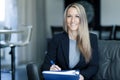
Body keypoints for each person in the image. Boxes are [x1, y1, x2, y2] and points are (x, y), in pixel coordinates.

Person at [41, 3, 99, 80]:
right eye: (69, 16)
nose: (73, 20)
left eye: (77, 16)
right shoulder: (57, 39)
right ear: (66, 19)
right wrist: (51, 67)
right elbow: (46, 64)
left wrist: (82, 76)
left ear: (82, 19)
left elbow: (94, 66)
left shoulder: (92, 38)